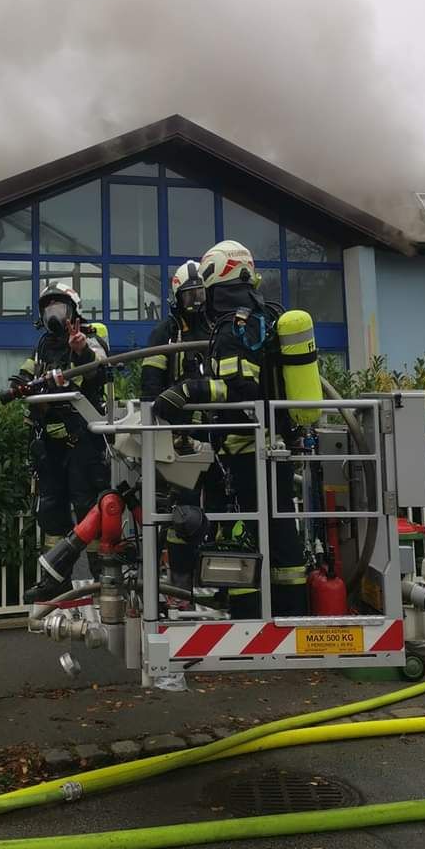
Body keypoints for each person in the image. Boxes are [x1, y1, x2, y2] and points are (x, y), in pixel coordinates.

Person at [154, 240, 307, 615]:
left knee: (240, 533)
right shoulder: (264, 315)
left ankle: (247, 616)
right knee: (281, 529)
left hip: (244, 449)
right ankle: (290, 611)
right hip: (274, 444)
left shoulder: (232, 326)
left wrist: (187, 390)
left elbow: (242, 391)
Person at [14, 282, 110, 574]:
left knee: (87, 507)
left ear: (73, 312)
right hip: (50, 443)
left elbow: (98, 371)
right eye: (49, 309)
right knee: (51, 512)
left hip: (83, 442)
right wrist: (17, 383)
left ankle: (100, 580)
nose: (55, 315)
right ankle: (57, 581)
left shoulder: (89, 339)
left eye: (60, 309)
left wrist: (80, 351)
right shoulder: (43, 345)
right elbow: (26, 372)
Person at [141, 261, 210, 590]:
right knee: (179, 512)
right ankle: (177, 583)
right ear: (176, 298)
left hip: (214, 436)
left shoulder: (215, 331)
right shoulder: (164, 335)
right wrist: (171, 430)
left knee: (217, 508)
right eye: (189, 296)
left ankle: (210, 578)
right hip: (176, 443)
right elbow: (149, 389)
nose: (195, 303)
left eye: (200, 294)